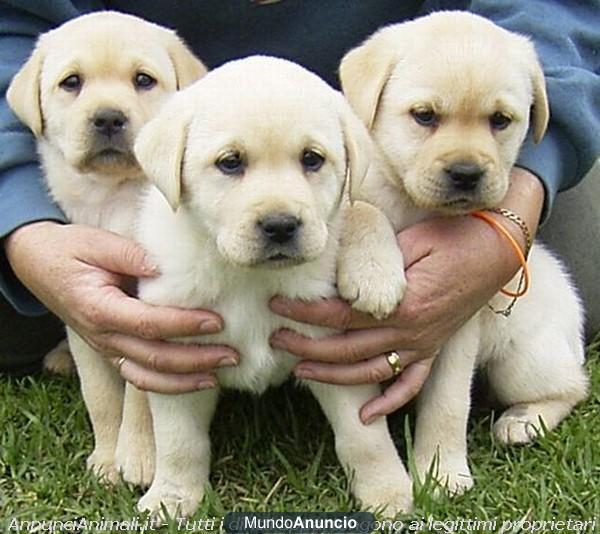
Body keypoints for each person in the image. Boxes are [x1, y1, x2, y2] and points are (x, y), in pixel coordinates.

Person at [1, 1, 599, 420]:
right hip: (158, 159)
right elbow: (13, 27)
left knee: (572, 278)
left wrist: (511, 215)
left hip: (369, 135)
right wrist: (22, 222)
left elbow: (548, 15)